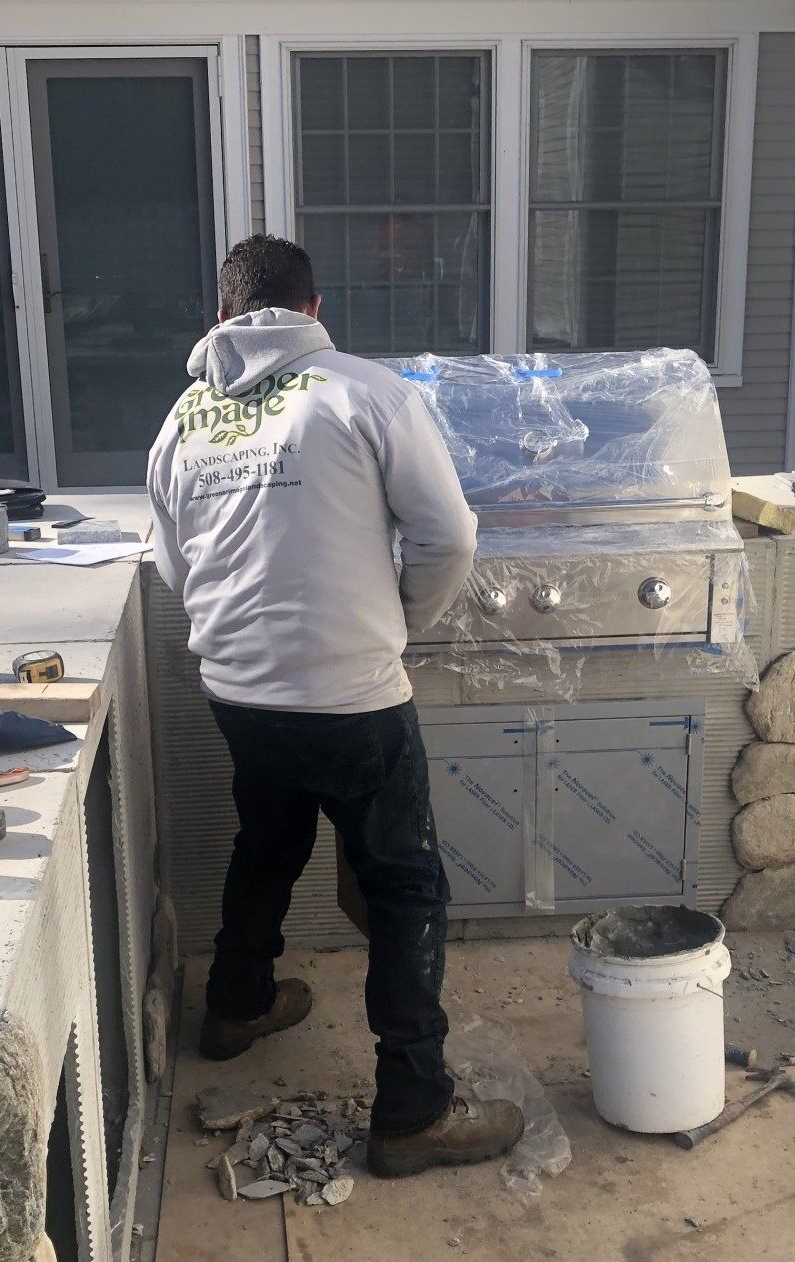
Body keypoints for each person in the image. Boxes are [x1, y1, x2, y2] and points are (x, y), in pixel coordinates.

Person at [147, 235, 524, 1179]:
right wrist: (398, 623)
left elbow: (172, 565)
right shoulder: (367, 393)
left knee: (267, 842)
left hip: (238, 688)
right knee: (403, 886)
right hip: (351, 694)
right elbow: (448, 535)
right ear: (314, 310)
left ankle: (236, 1006)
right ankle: (412, 1110)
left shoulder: (185, 416)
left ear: (224, 315)